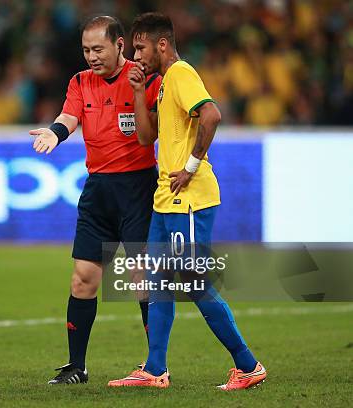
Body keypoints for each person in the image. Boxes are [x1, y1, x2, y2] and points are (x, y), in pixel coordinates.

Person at [107, 12, 266, 390]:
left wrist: (191, 167)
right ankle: (155, 369)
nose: (136, 56)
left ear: (161, 44)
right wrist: (135, 91)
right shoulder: (162, 83)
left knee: (194, 283)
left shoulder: (181, 74)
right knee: (158, 281)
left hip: (188, 197)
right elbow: (147, 139)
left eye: (140, 48)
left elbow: (211, 115)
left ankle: (248, 365)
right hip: (167, 198)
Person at [29, 15, 161, 385]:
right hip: (98, 191)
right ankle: (77, 366)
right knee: (82, 279)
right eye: (86, 50)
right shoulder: (80, 81)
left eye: (98, 49)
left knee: (142, 279)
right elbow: (69, 116)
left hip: (138, 190)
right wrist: (56, 133)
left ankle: (156, 366)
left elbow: (154, 128)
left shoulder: (143, 77)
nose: (91, 56)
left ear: (119, 46)